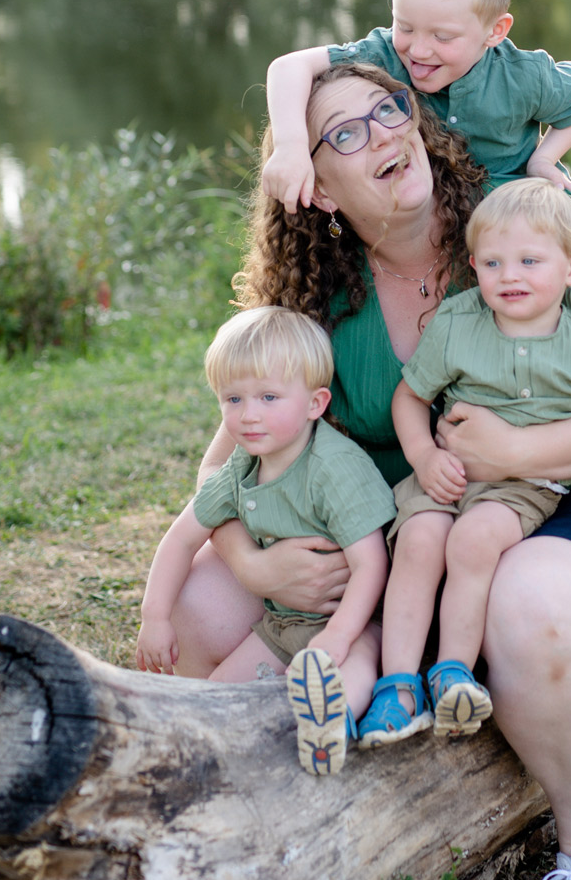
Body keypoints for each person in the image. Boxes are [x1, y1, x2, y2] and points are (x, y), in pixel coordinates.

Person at [169, 63, 571, 880]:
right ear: (316, 189)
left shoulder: (527, 227)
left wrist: (510, 455)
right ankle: (259, 837)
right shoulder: (315, 298)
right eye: (342, 133)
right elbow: (223, 474)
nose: (380, 132)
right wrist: (255, 568)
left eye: (388, 109)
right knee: (204, 608)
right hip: (421, 522)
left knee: (526, 601)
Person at [362, 178, 571, 751]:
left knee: (475, 541)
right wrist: (424, 456)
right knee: (418, 543)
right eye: (492, 263)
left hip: (522, 488)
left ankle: (452, 674)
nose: (509, 276)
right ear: (474, 266)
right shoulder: (459, 322)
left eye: (530, 260)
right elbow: (410, 397)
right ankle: (396, 687)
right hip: (446, 472)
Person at [135, 305, 395, 776]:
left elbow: (371, 564)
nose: (248, 415)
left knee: (355, 664)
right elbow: (180, 539)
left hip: (355, 618)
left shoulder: (334, 468)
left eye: (268, 398)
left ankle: (328, 723)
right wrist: (154, 617)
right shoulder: (241, 468)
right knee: (212, 705)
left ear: (316, 403)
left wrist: (337, 635)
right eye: (233, 400)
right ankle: (206, 759)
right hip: (281, 626)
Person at [261, 0, 571, 208]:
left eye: (442, 37)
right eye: (405, 26)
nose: (419, 50)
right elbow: (288, 67)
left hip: (509, 226)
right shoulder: (383, 55)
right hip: (426, 230)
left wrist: (543, 160)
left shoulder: (523, 77)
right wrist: (290, 147)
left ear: (495, 31)